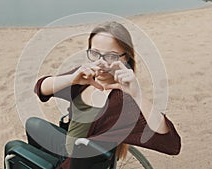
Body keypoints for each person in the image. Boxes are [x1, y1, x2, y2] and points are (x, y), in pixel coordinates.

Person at [26, 21, 181, 169]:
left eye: (110, 56)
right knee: (32, 124)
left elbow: (171, 144)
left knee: (14, 148)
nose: (100, 63)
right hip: (68, 148)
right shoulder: (85, 77)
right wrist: (71, 80)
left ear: (125, 57)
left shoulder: (123, 103)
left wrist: (137, 94)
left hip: (78, 163)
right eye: (95, 54)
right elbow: (41, 88)